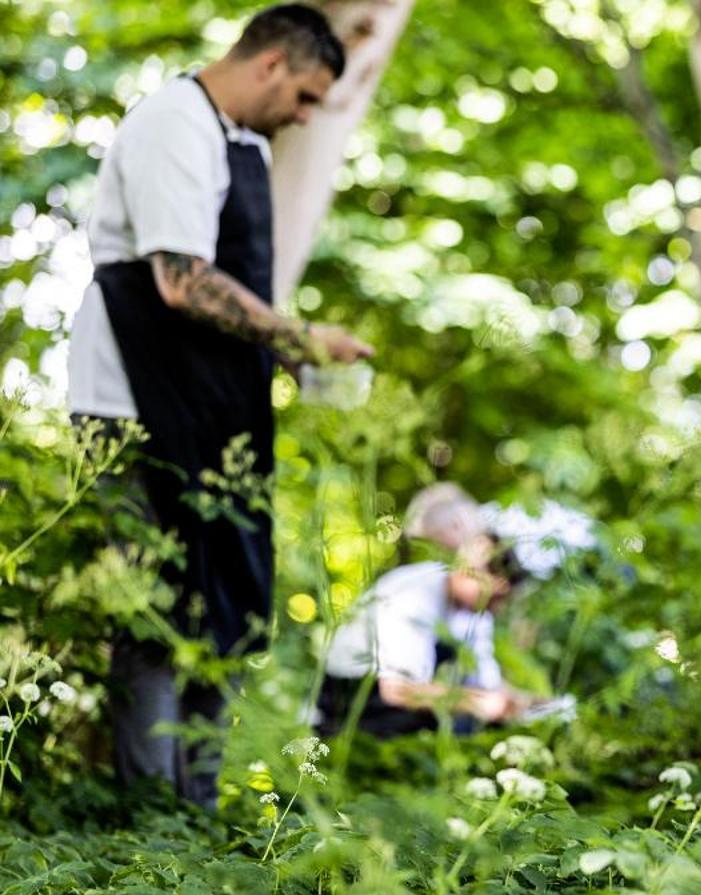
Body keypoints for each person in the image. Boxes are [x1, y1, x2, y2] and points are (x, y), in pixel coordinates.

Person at [67, 5, 373, 803]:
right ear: (271, 62)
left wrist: (275, 356)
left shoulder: (237, 140)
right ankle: (153, 826)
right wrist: (301, 337)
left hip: (214, 410)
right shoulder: (176, 123)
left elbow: (234, 287)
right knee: (157, 618)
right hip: (135, 409)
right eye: (306, 97)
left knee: (228, 612)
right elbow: (182, 278)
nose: (304, 118)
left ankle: (196, 812)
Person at [318, 535, 550, 736]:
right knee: (457, 721)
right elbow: (397, 690)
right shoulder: (415, 594)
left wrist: (524, 702)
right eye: (495, 597)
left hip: (394, 693)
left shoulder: (476, 612)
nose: (496, 608)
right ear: (471, 572)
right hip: (351, 695)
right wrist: (479, 703)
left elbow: (484, 679)